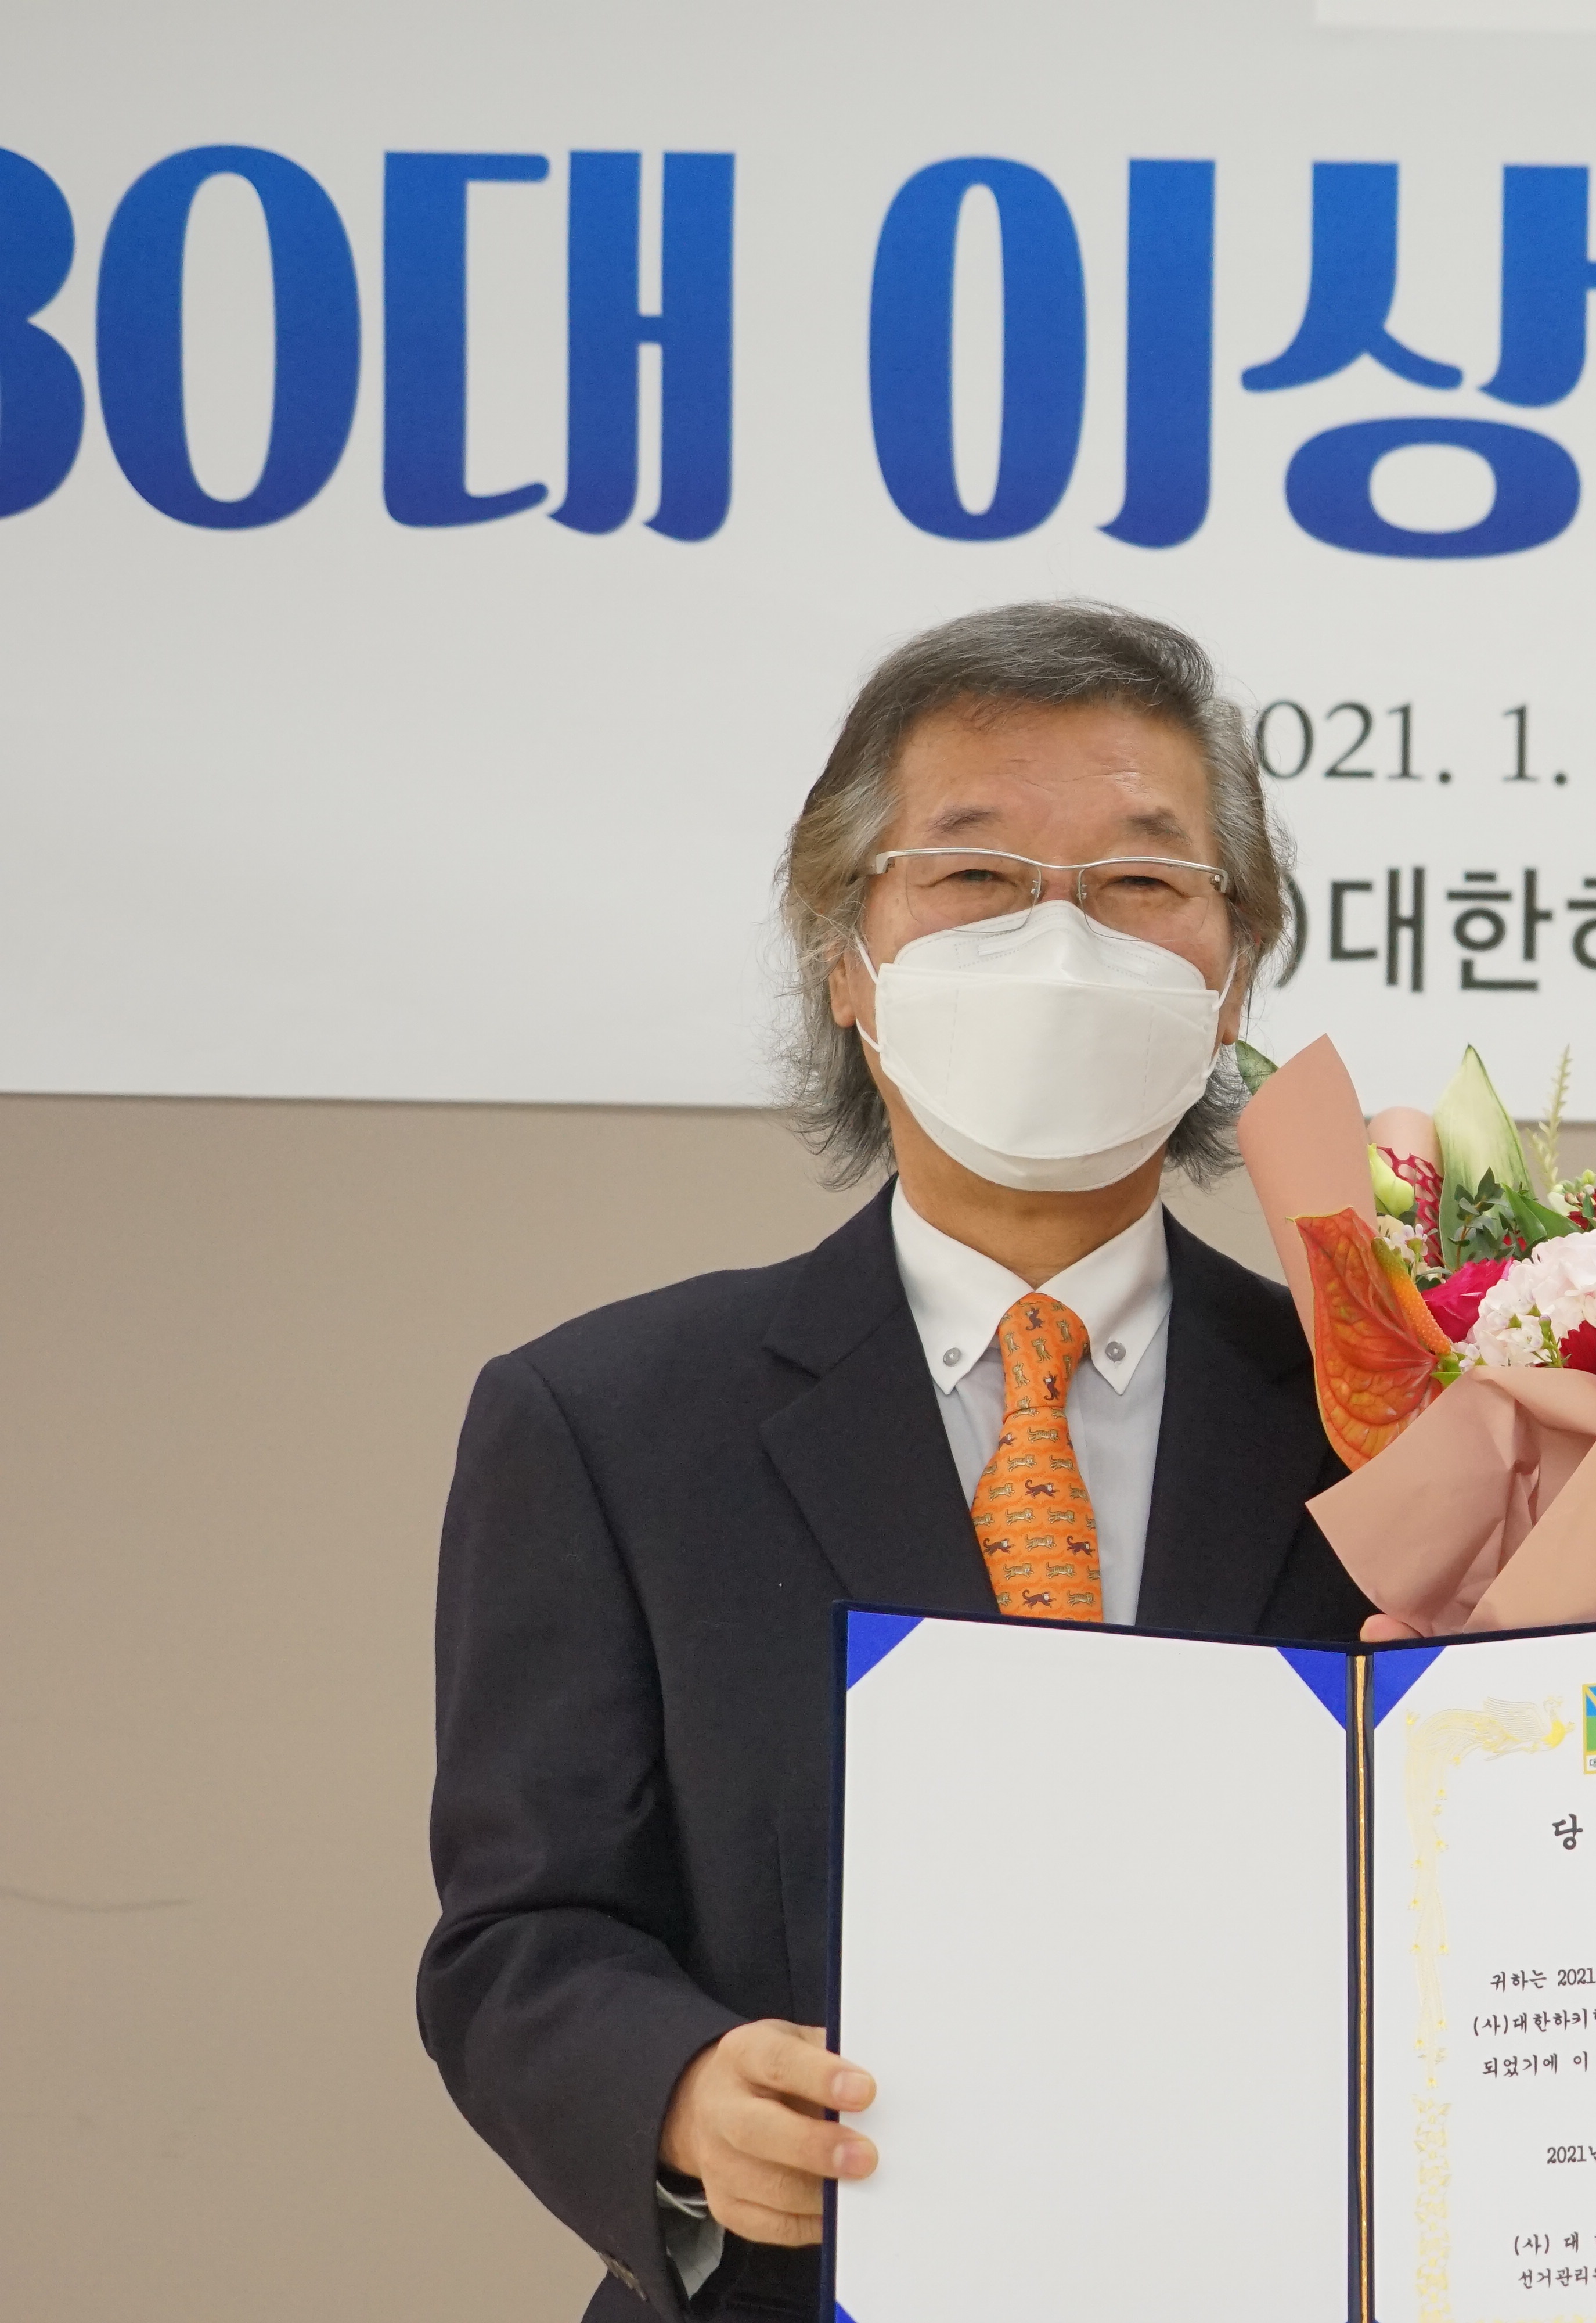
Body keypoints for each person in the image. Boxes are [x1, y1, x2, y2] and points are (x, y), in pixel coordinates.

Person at [419, 601, 1375, 2322]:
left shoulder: (1396, 1417)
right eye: (977, 875)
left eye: (1141, 881)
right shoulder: (609, 1422)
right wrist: (680, 2095)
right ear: (846, 961)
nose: (1059, 940)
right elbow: (520, 1935)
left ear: (1233, 976)